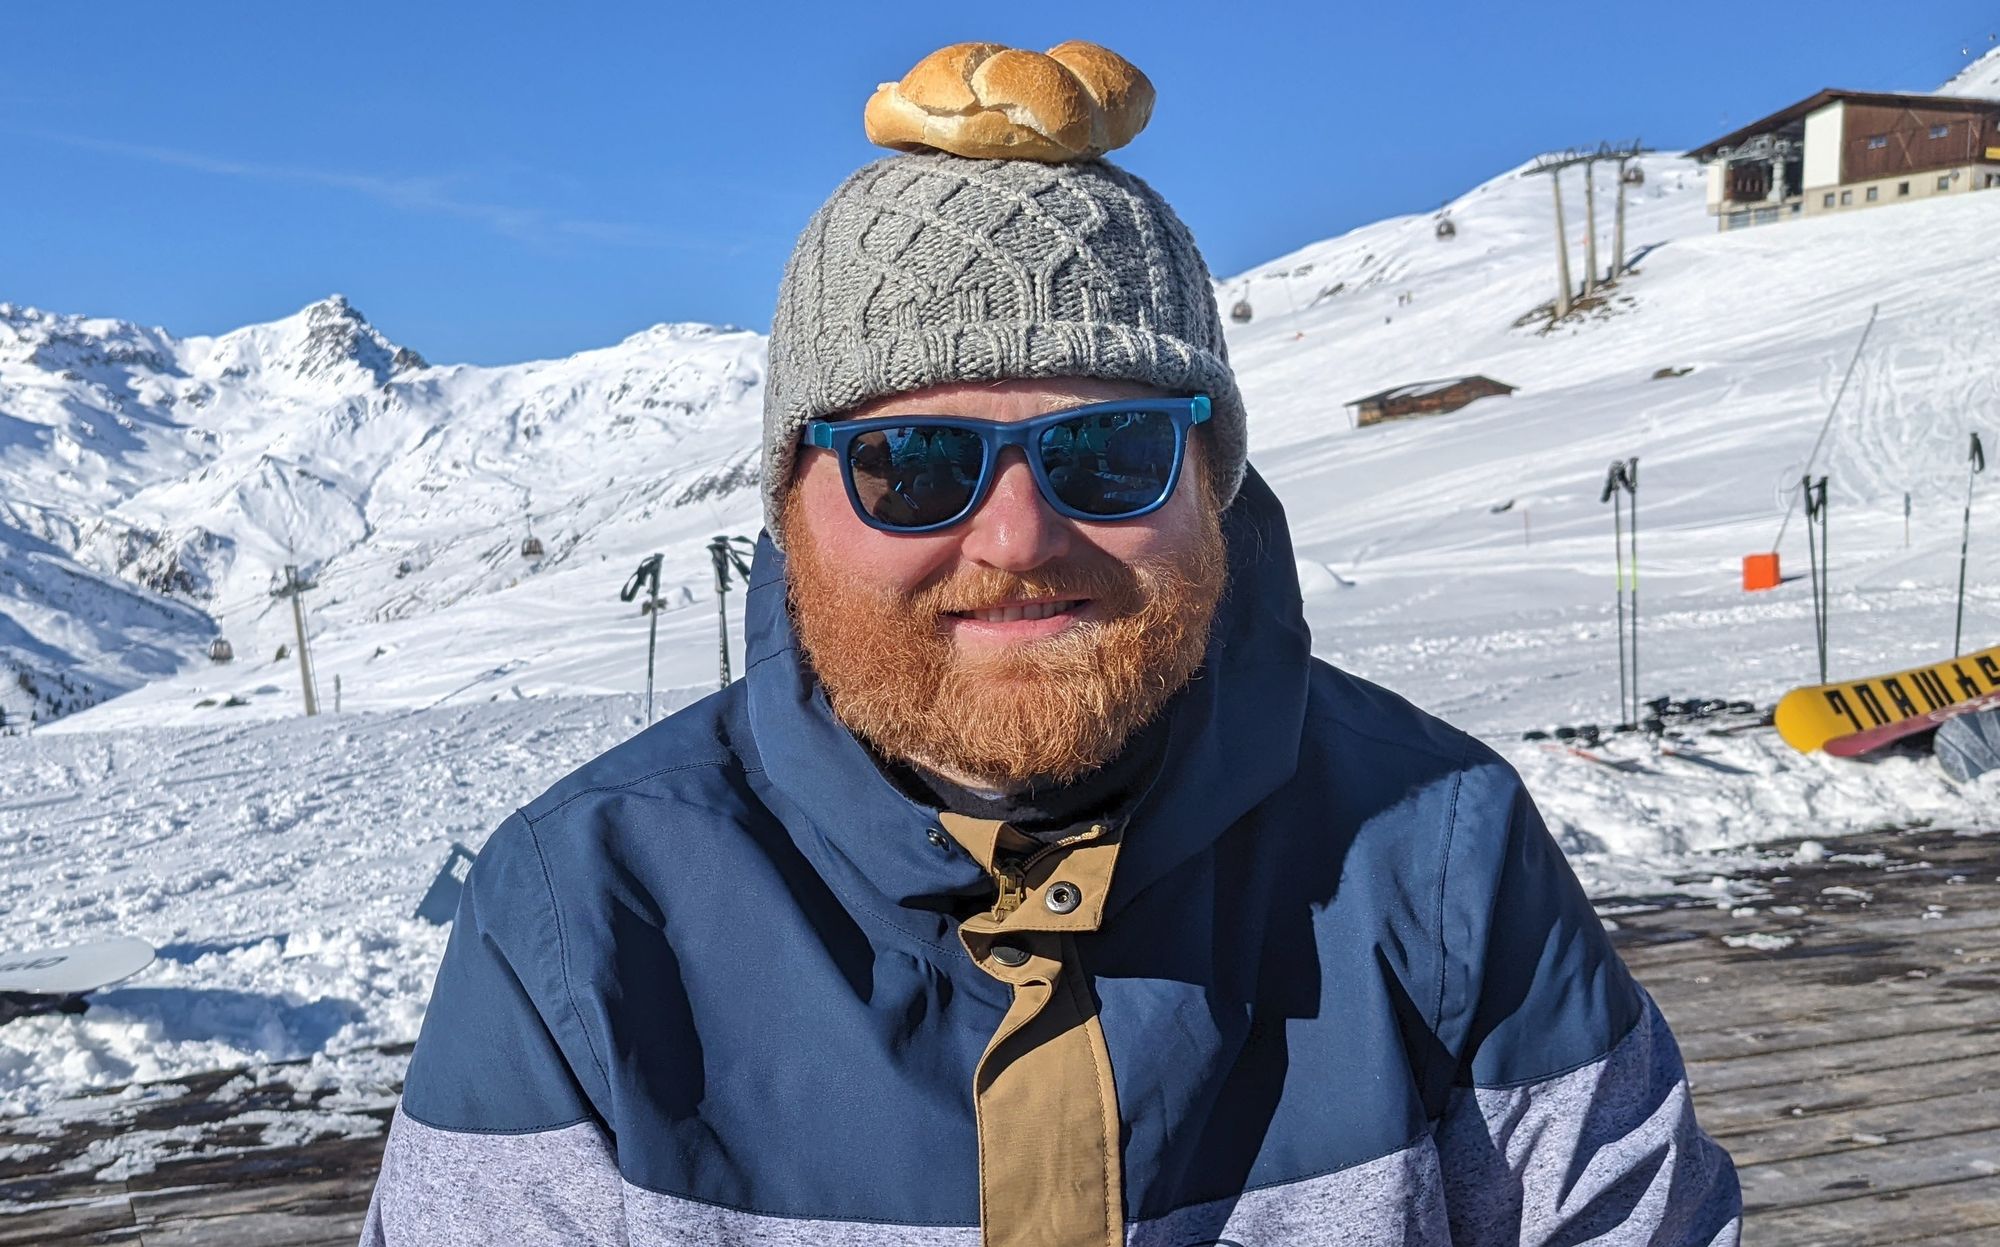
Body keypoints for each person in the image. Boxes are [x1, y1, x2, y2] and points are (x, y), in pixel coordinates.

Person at [362, 110, 1740, 1247]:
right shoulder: (582, 909)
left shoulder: (1435, 848)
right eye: (914, 467)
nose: (1019, 542)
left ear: (1213, 486)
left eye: (1108, 455)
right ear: (790, 506)